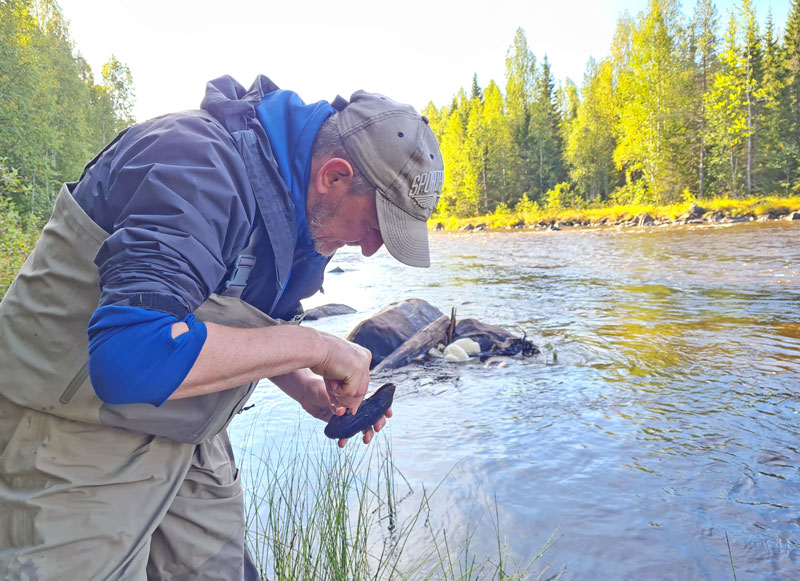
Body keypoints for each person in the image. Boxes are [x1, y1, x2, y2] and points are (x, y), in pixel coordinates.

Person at [0, 74, 444, 580]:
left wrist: (304, 387)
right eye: (374, 227)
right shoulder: (195, 165)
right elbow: (131, 358)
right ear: (335, 176)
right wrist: (312, 347)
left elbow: (226, 319)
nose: (369, 248)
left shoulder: (301, 209)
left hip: (187, 440)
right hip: (72, 438)